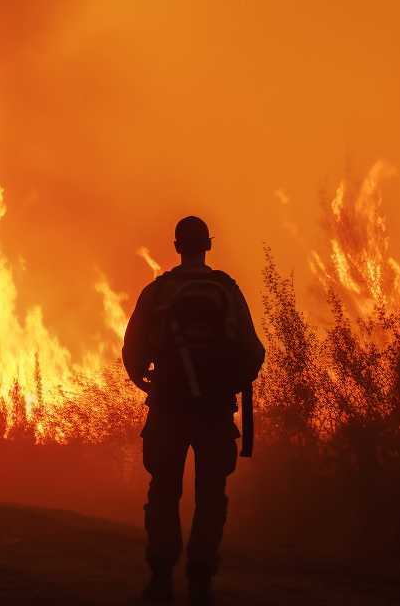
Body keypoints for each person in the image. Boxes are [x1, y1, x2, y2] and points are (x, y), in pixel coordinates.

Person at [122, 216, 265, 605]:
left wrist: (149, 384)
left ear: (176, 245)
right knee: (211, 496)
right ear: (208, 246)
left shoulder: (157, 293)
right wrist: (227, 384)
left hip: (168, 408)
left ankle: (161, 579)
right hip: (214, 413)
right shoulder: (228, 292)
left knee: (164, 492)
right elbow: (254, 352)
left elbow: (132, 353)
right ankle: (201, 581)